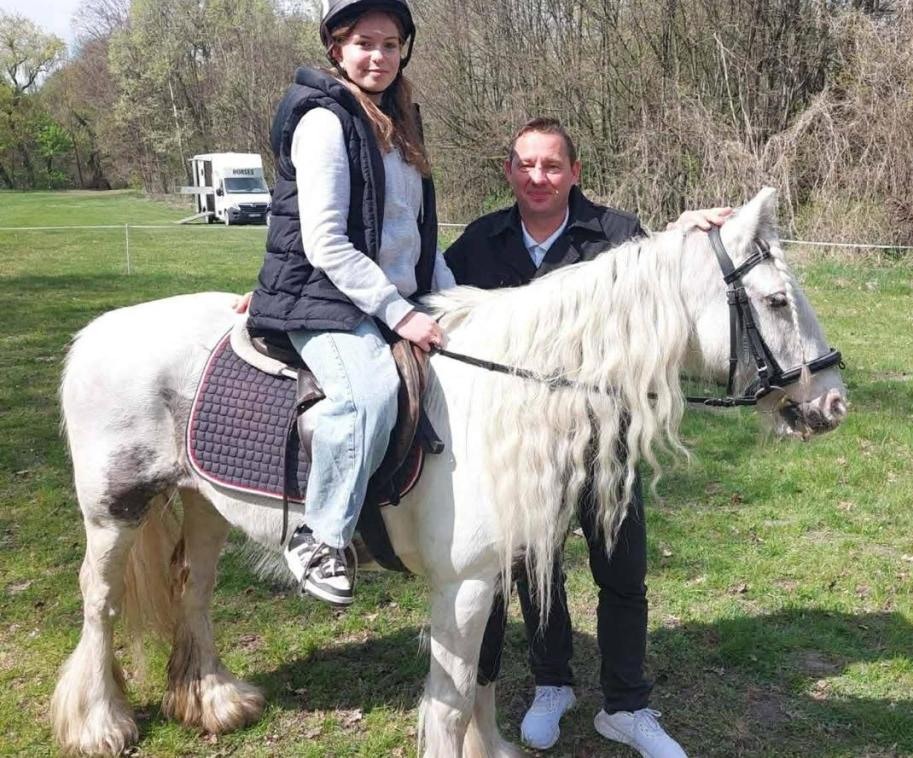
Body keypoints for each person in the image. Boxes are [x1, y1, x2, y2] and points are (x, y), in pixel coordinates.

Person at [445, 117, 730, 757]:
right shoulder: (480, 243)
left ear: (574, 173)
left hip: (608, 437)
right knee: (533, 570)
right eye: (525, 165)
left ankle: (626, 706)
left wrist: (685, 232)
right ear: (509, 172)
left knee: (622, 572)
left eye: (552, 165)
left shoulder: (616, 235)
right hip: (519, 447)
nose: (538, 177)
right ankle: (552, 683)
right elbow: (433, 304)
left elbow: (670, 280)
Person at [245, 0, 454, 607]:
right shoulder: (322, 120)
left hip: (389, 296)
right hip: (322, 298)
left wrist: (451, 302)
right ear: (337, 48)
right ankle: (320, 536)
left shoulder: (402, 118)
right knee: (369, 394)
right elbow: (326, 243)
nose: (379, 57)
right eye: (365, 43)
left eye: (390, 45)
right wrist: (401, 314)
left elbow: (420, 235)